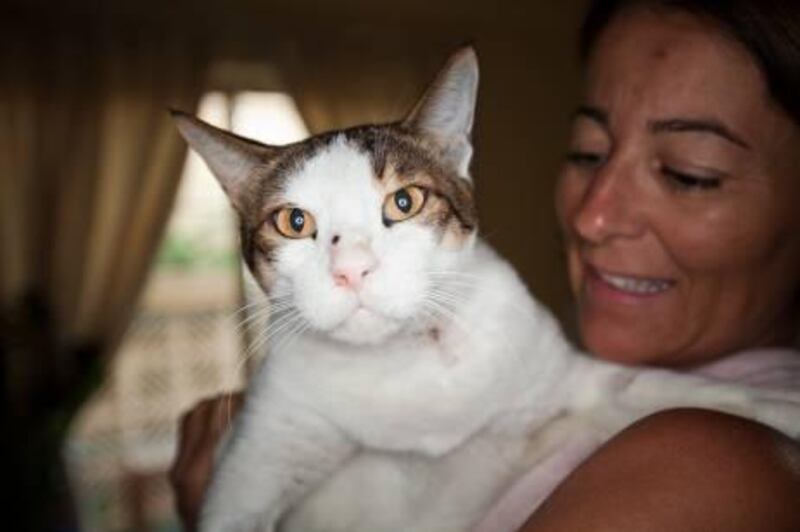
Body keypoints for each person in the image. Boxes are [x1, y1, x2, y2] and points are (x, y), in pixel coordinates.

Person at [170, 1, 800, 530]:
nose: (593, 217)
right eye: (586, 153)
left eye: (690, 173)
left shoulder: (718, 468)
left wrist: (207, 501)